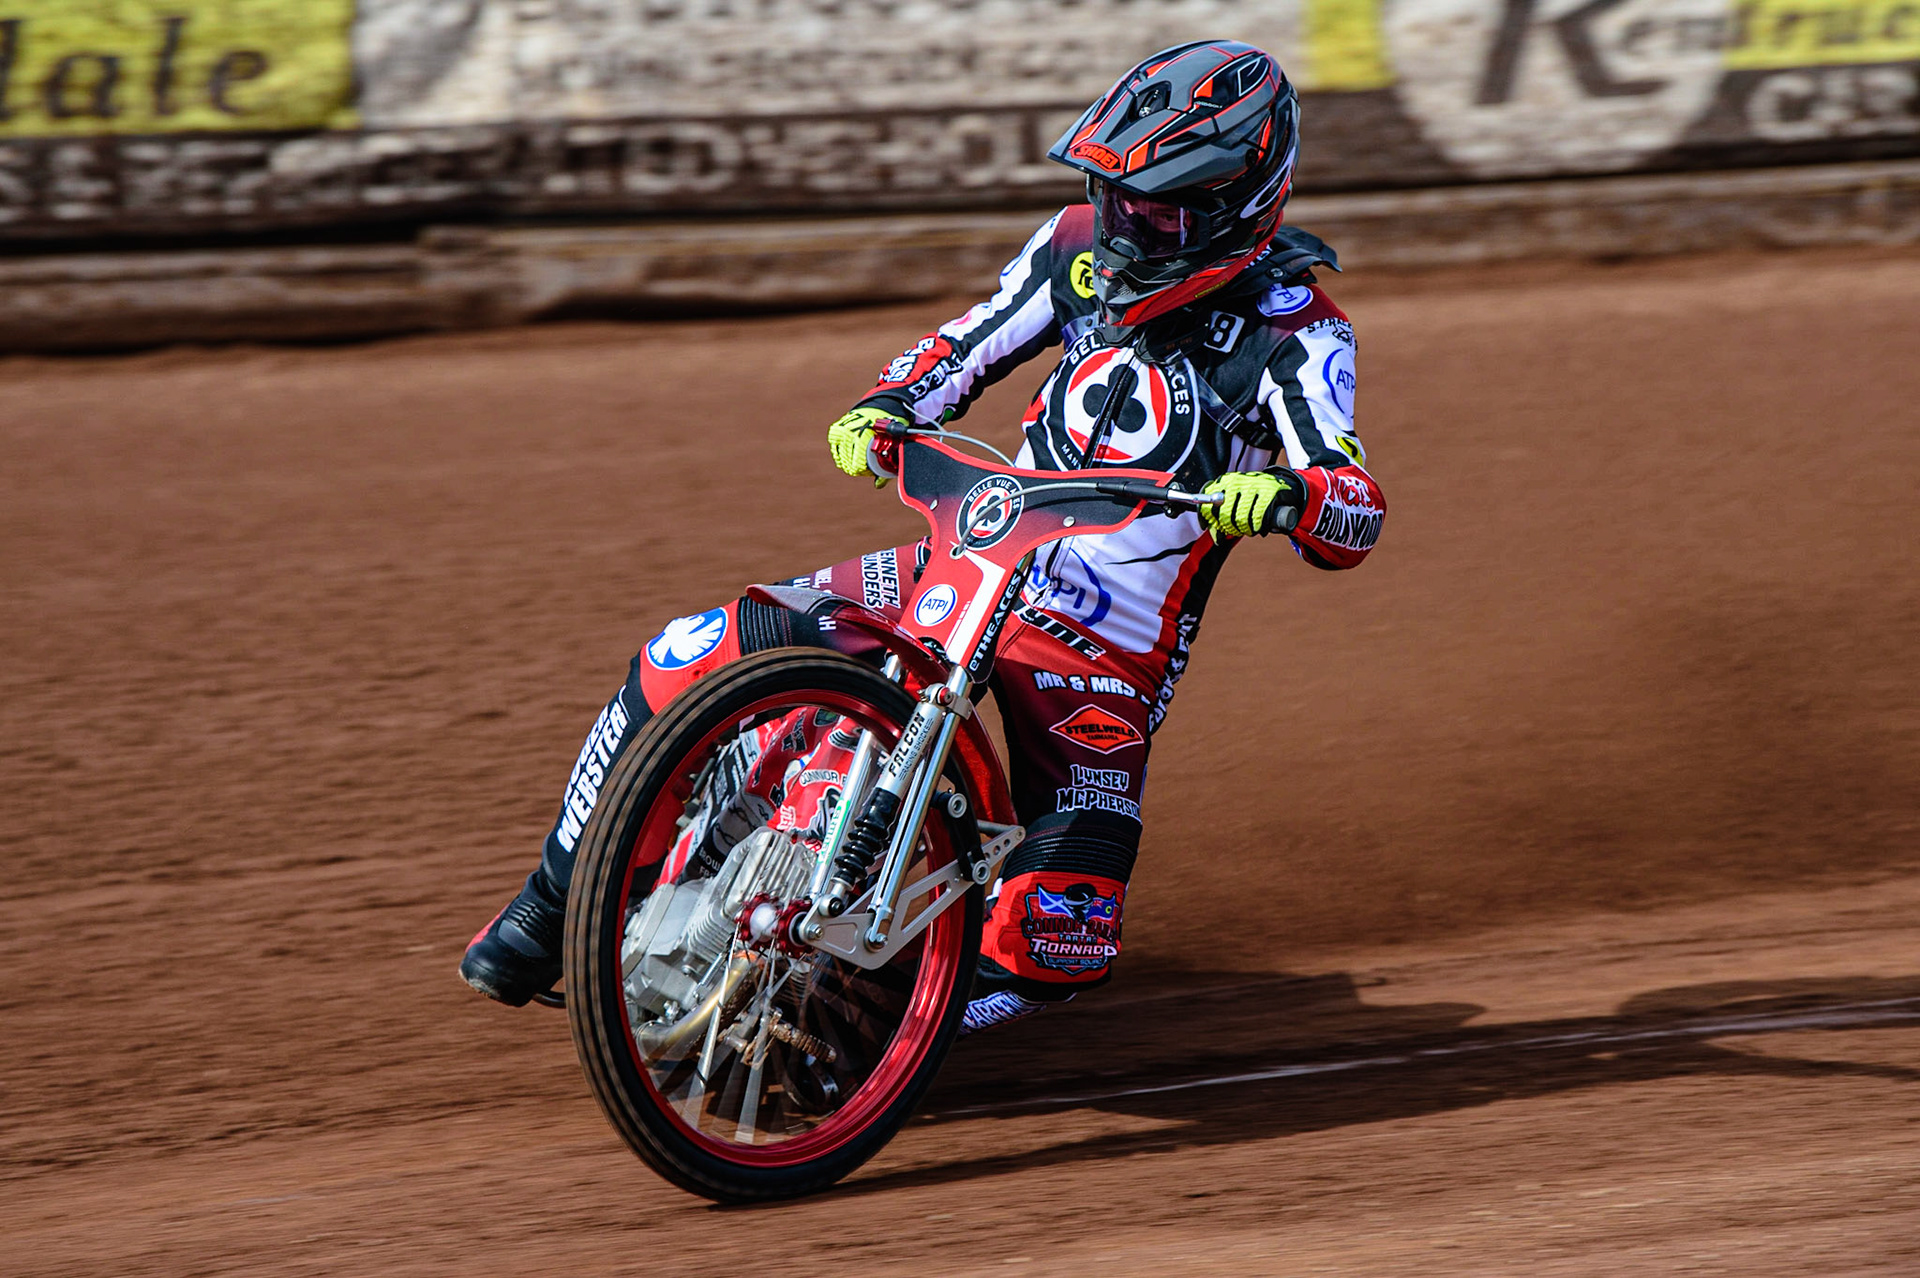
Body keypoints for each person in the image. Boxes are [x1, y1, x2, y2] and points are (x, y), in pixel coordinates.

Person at [461, 40, 1386, 1032]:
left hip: (1103, 641)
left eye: (1154, 211)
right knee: (689, 651)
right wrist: (889, 401)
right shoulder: (1076, 244)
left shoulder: (1301, 337)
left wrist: (1292, 496)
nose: (1122, 228)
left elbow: (1354, 496)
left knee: (1058, 940)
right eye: (1112, 196)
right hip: (972, 555)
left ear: (1236, 206)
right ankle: (554, 901)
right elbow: (970, 339)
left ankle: (911, 1029)